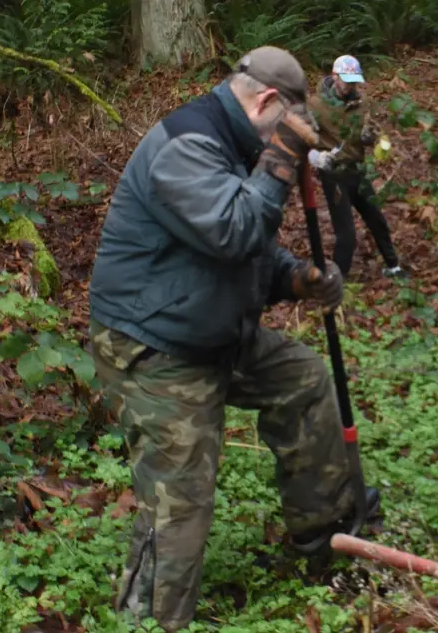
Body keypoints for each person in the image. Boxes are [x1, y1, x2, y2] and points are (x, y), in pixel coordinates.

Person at [87, 46, 379, 632]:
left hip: (212, 331)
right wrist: (282, 156)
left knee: (302, 380)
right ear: (267, 101)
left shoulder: (236, 143)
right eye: (284, 125)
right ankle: (151, 619)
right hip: (155, 347)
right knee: (181, 497)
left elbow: (248, 251)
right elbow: (232, 229)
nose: (284, 142)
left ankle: (323, 539)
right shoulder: (186, 145)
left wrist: (296, 277)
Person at [306, 54, 409, 280]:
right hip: (334, 173)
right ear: (335, 76)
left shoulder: (362, 104)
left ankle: (393, 267)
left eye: (354, 81)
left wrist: (369, 138)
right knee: (347, 234)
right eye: (346, 80)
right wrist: (315, 156)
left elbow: (371, 131)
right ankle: (336, 281)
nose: (350, 86)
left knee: (377, 219)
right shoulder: (315, 105)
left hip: (357, 170)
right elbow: (300, 138)